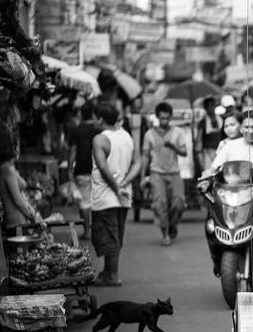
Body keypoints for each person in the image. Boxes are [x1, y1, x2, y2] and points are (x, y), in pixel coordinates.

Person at [91, 103, 141, 286]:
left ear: (101, 119)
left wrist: (116, 187)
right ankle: (108, 272)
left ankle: (113, 275)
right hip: (124, 195)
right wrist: (125, 183)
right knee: (116, 235)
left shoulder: (100, 139)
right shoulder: (125, 136)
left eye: (95, 117)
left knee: (108, 236)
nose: (93, 121)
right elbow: (138, 163)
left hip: (106, 196)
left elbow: (103, 167)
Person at [141, 102, 188, 247]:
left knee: (179, 203)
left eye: (167, 118)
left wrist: (173, 146)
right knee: (159, 203)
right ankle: (165, 234)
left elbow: (185, 152)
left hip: (174, 173)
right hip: (157, 174)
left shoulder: (178, 132)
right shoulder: (149, 134)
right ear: (157, 117)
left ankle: (173, 224)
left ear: (171, 117)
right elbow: (145, 157)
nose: (165, 121)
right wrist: (143, 177)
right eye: (162, 118)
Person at [0, 129, 45, 230]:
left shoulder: (7, 167)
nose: (19, 149)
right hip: (16, 221)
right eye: (17, 146)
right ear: (11, 148)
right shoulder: (7, 169)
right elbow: (17, 200)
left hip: (20, 218)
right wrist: (34, 217)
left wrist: (32, 212)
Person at [67, 102, 100, 239]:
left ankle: (87, 231)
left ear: (81, 114)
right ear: (93, 114)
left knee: (84, 203)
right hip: (98, 169)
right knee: (97, 201)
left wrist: (69, 168)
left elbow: (73, 151)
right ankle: (97, 230)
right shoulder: (99, 130)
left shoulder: (76, 130)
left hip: (81, 170)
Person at [195, 96, 224, 173]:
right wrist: (200, 158)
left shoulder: (221, 118)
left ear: (215, 106)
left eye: (212, 105)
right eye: (208, 106)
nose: (211, 108)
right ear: (205, 108)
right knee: (209, 174)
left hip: (221, 152)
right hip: (208, 153)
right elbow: (199, 141)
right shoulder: (202, 122)